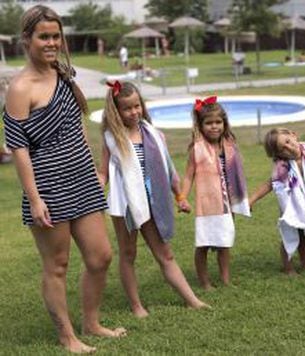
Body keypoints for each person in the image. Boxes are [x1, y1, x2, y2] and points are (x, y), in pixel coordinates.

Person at [2, 5, 125, 353]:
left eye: (56, 36)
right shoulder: (20, 87)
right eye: (44, 36)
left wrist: (95, 170)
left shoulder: (63, 74)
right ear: (27, 39)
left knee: (101, 257)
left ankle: (92, 322)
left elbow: (77, 128)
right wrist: (35, 197)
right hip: (48, 188)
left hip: (82, 182)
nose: (52, 42)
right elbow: (18, 148)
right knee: (57, 264)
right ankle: (67, 337)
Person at [98, 81, 209, 315]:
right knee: (128, 254)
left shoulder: (155, 134)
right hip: (126, 205)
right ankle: (137, 306)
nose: (134, 112)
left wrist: (180, 196)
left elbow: (169, 170)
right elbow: (103, 172)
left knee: (165, 254)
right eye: (127, 108)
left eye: (137, 105)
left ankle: (192, 300)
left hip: (153, 201)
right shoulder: (111, 138)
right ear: (116, 111)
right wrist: (96, 192)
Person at [179, 96, 250, 290]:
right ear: (200, 126)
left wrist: (241, 199)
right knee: (203, 243)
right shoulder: (197, 149)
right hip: (208, 205)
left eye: (218, 122)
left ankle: (225, 279)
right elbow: (187, 177)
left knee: (225, 242)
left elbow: (236, 174)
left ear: (224, 123)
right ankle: (205, 282)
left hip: (227, 204)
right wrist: (182, 197)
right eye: (208, 123)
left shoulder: (229, 146)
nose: (214, 127)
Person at [249, 128, 305, 276]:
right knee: (289, 235)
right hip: (291, 205)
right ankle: (288, 267)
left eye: (289, 142)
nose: (289, 147)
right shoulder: (282, 167)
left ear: (294, 135)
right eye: (283, 148)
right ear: (278, 155)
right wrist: (251, 199)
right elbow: (270, 184)